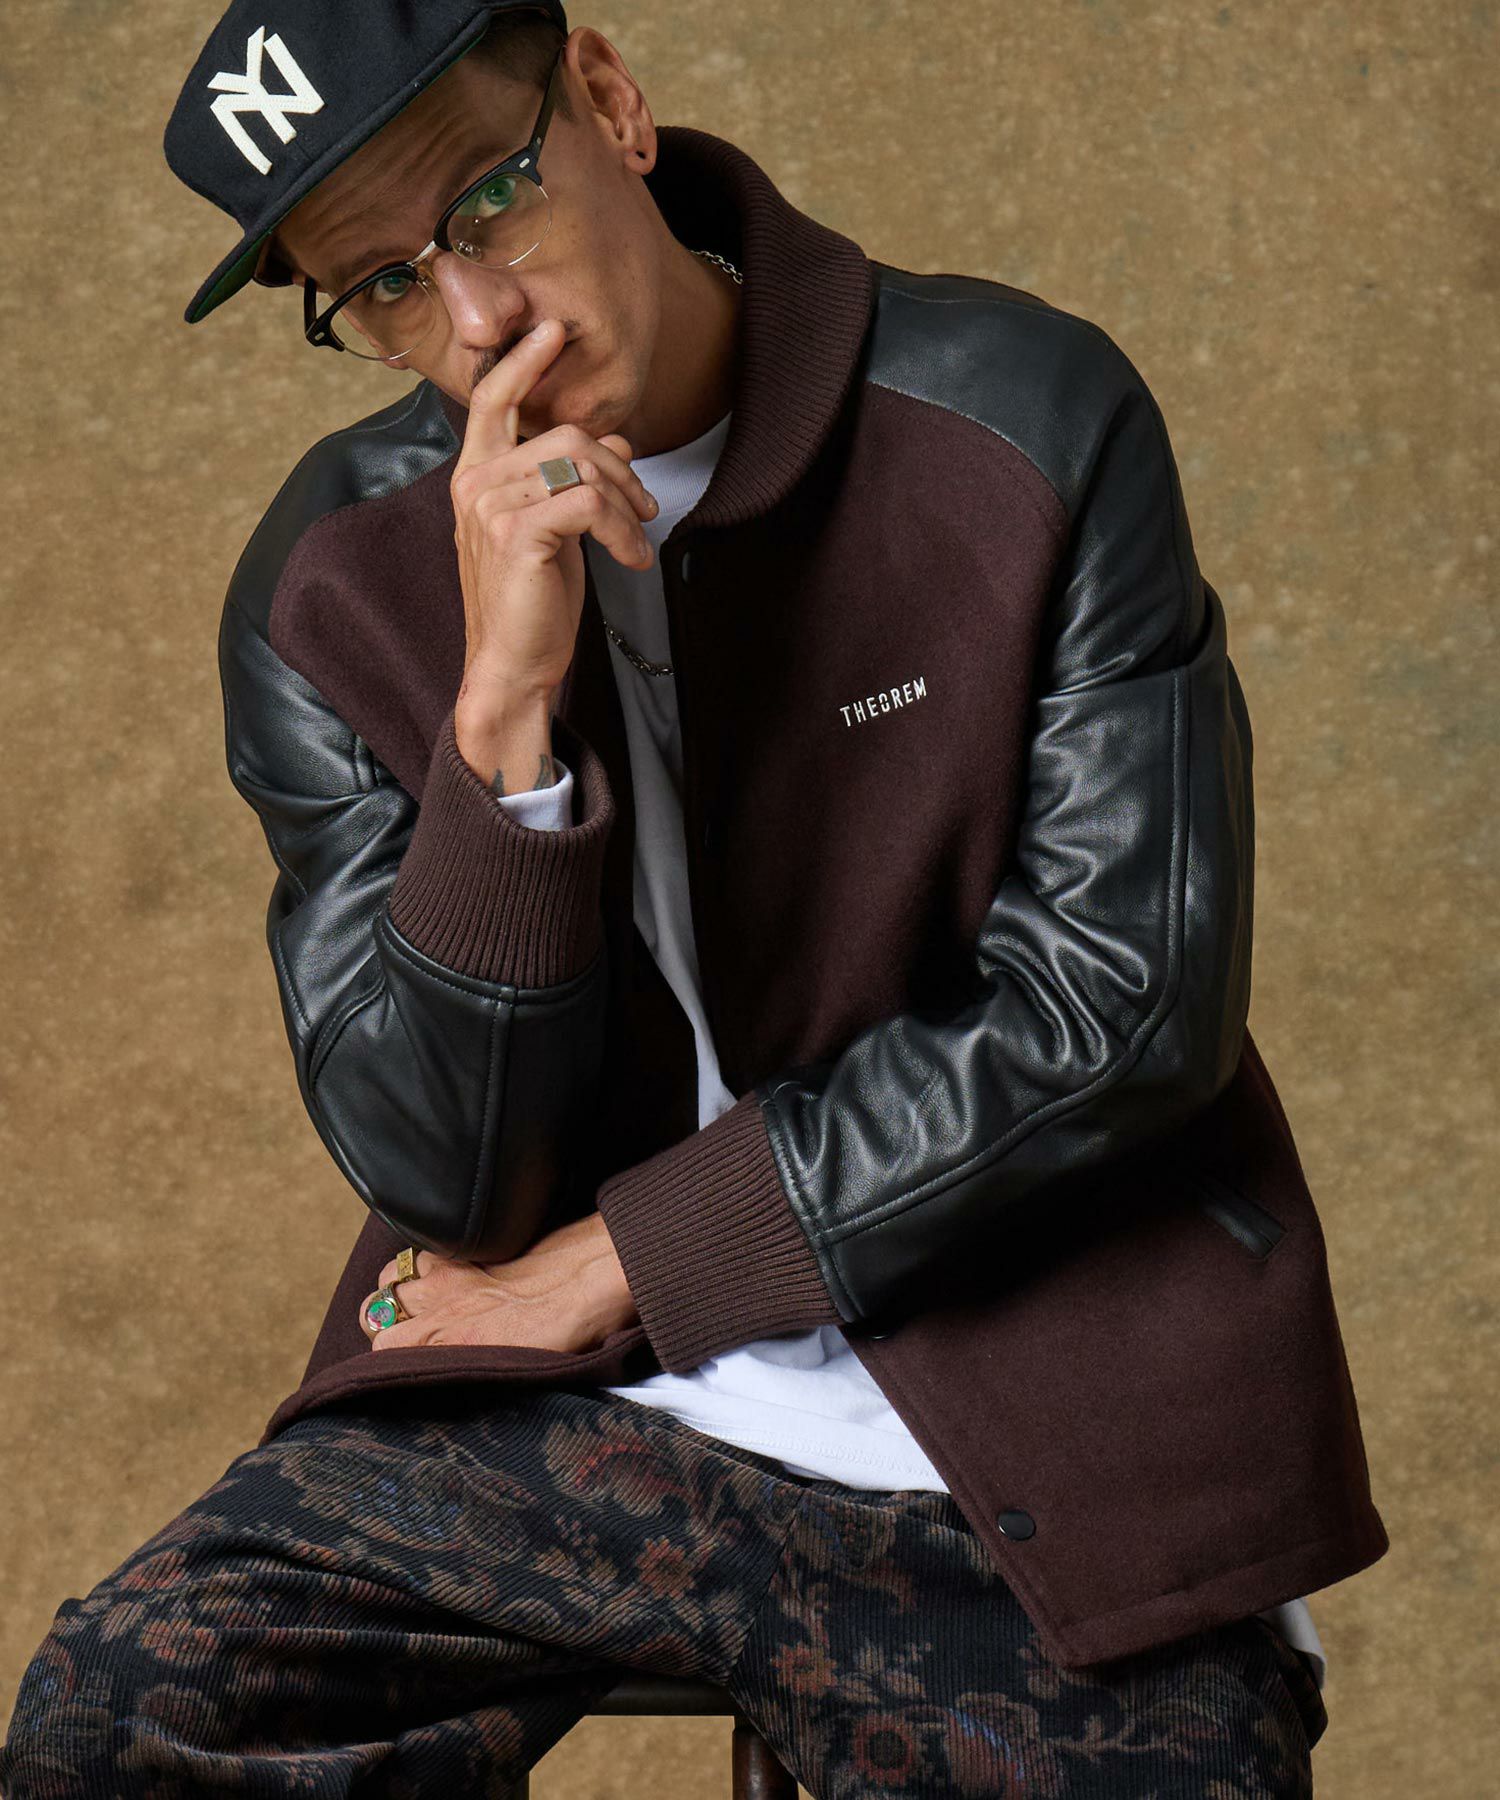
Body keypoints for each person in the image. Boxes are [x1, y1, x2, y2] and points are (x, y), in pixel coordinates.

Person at [0, 1, 1388, 1793]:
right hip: (573, 1413)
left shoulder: (1024, 417)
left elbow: (1122, 1003)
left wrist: (637, 1259)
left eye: (487, 201)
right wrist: (502, 726)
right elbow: (444, 1178)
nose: (476, 318)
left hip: (1038, 1392)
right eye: (387, 286)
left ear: (608, 98)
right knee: (120, 1714)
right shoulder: (330, 583)